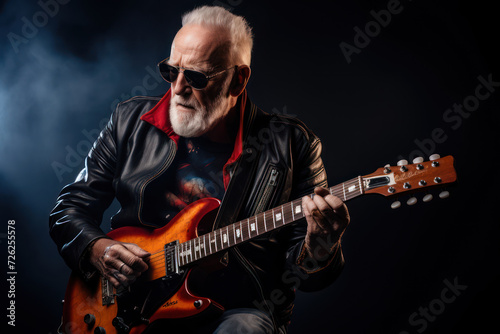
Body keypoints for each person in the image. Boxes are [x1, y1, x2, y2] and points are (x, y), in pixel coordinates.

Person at [49, 5, 350, 334]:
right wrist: (96, 248)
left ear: (238, 80)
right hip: (125, 304)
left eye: (195, 77)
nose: (177, 88)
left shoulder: (294, 145)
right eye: (170, 71)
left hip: (234, 310)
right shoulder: (129, 120)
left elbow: (307, 276)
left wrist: (322, 242)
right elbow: (68, 210)